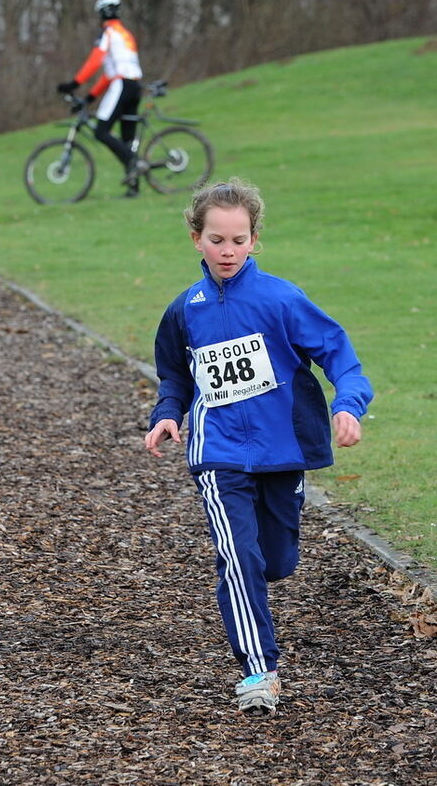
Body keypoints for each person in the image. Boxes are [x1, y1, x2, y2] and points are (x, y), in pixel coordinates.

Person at [143, 178, 373, 717]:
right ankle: (257, 671)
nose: (227, 251)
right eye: (217, 239)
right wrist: (166, 416)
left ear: (254, 241)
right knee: (238, 557)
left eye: (238, 240)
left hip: (282, 448)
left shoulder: (282, 299)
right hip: (217, 453)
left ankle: (255, 595)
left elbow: (342, 358)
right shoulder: (185, 310)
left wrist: (348, 405)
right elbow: (174, 376)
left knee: (277, 560)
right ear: (196, 238)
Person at [57, 0, 143, 197]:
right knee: (127, 139)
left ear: (101, 14)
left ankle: (133, 163)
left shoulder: (108, 33)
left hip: (121, 85)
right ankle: (134, 187)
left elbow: (96, 62)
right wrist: (89, 98)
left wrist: (74, 83)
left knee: (101, 131)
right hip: (134, 87)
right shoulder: (126, 35)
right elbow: (108, 74)